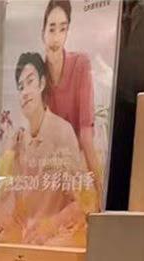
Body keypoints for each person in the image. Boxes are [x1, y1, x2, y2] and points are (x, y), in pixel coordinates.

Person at [0, 52, 87, 247]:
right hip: (25, 242)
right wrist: (9, 154)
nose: (25, 92)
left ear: (42, 83)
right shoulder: (18, 140)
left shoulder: (62, 132)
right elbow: (3, 203)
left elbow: (82, 203)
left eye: (30, 82)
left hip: (54, 241)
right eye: (20, 87)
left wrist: (50, 226)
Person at [41, 0, 103, 209]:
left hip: (78, 160)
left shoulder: (80, 64)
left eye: (62, 29)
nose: (56, 37)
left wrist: (99, 192)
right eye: (51, 29)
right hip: (50, 165)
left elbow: (86, 134)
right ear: (43, 32)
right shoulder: (37, 74)